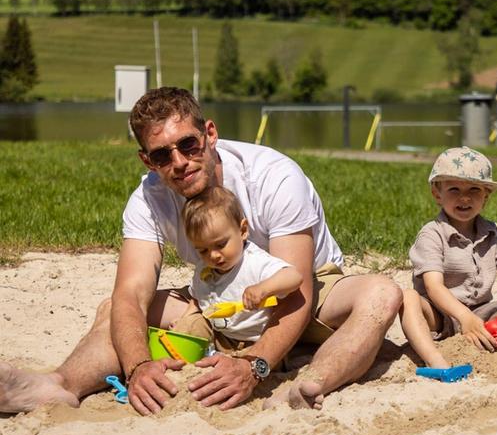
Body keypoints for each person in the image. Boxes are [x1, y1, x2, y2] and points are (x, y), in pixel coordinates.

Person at [0, 87, 402, 415]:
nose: (179, 162)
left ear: (210, 134)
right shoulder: (147, 198)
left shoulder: (274, 175)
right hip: (219, 303)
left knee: (382, 294)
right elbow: (131, 294)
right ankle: (61, 386)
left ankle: (309, 385)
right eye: (162, 155)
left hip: (302, 299)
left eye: (188, 144)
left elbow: (298, 289)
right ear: (147, 160)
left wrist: (254, 366)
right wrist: (138, 365)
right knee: (115, 309)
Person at [400, 147, 497, 370]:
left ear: (486, 196)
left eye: (474, 189)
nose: (465, 197)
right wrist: (463, 318)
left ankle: (493, 333)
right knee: (408, 299)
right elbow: (433, 288)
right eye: (454, 189)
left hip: (481, 311)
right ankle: (434, 359)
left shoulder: (492, 231)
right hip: (441, 314)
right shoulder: (432, 234)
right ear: (437, 194)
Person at [179, 186, 303, 346]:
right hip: (220, 337)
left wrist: (263, 288)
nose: (213, 255)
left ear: (243, 230)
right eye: (203, 250)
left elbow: (293, 277)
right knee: (189, 325)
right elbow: (197, 299)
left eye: (221, 244)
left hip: (256, 341)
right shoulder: (204, 268)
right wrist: (184, 320)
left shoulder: (254, 261)